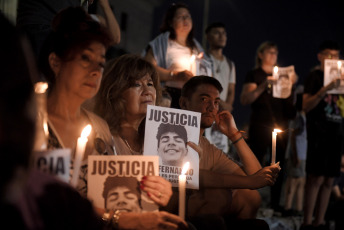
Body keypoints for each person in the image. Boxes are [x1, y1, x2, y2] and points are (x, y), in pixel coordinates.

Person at [170, 76, 281, 230]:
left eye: (216, 102)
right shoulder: (169, 134)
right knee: (218, 196)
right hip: (170, 207)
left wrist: (234, 134)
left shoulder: (209, 148)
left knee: (251, 198)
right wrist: (250, 182)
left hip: (201, 214)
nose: (211, 107)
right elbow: (192, 176)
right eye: (204, 99)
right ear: (183, 103)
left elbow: (255, 175)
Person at [94, 53, 190, 229]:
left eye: (151, 84)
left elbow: (171, 200)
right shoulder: (101, 136)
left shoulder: (162, 142)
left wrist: (166, 194)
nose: (147, 91)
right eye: (137, 84)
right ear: (115, 93)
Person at [39, 6, 115, 197]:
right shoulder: (29, 120)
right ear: (55, 62)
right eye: (85, 58)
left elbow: (114, 193)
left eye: (101, 63)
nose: (96, 71)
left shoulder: (101, 130)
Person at [240, 41, 297, 211]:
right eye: (270, 52)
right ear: (261, 54)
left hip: (281, 124)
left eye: (276, 53)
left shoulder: (282, 76)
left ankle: (274, 204)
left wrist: (290, 86)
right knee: (255, 162)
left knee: (279, 165)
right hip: (260, 124)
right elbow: (245, 99)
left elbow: (290, 109)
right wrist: (265, 85)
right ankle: (250, 199)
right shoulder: (255, 75)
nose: (273, 56)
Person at [16, 0, 121, 80]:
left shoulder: (82, 16)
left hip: (57, 38)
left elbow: (114, 37)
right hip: (39, 29)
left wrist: (104, 4)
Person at [301, 40, 344, 230]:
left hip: (337, 133)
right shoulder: (315, 76)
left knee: (329, 180)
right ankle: (307, 222)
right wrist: (325, 90)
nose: (332, 58)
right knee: (315, 178)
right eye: (328, 54)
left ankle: (320, 222)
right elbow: (305, 106)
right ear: (320, 56)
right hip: (319, 132)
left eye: (335, 55)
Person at [143, 2, 209, 109]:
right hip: (167, 98)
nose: (185, 20)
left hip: (190, 100)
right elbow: (147, 68)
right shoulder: (161, 44)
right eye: (180, 17)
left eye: (187, 16)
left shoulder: (197, 48)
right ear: (170, 22)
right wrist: (175, 75)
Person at [282, 88, 307, 217]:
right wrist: (295, 155)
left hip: (302, 155)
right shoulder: (298, 117)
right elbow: (293, 136)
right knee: (293, 181)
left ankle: (298, 208)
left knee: (300, 181)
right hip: (297, 154)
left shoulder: (303, 116)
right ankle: (288, 207)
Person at [205, 22, 235, 112]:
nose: (221, 36)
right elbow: (205, 86)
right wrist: (222, 103)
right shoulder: (203, 59)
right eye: (217, 33)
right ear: (208, 37)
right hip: (206, 108)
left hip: (220, 112)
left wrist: (227, 106)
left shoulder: (230, 64)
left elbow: (231, 90)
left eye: (224, 33)